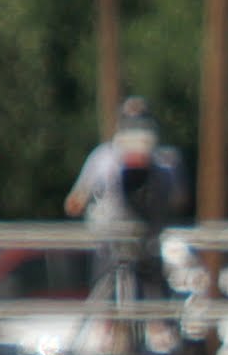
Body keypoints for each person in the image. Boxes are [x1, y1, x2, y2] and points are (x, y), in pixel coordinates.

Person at [65, 96, 188, 302]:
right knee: (105, 306)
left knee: (157, 310)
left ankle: (157, 327)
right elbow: (179, 200)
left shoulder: (165, 162)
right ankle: (107, 326)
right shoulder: (105, 158)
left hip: (146, 247)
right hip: (113, 248)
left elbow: (74, 205)